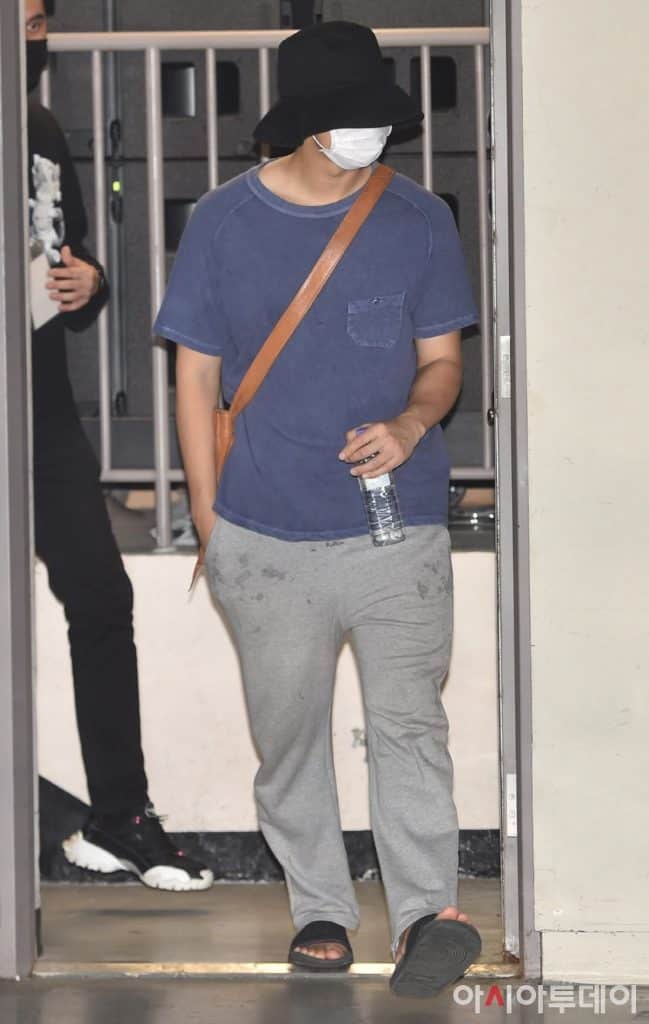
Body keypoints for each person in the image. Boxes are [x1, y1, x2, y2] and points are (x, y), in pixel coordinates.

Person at [155, 20, 481, 996]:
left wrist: (413, 423)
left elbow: (442, 362)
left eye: (376, 118)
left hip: (399, 523)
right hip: (263, 532)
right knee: (289, 736)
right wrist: (210, 520)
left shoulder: (418, 218)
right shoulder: (223, 222)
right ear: (302, 123)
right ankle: (322, 910)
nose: (368, 135)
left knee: (409, 724)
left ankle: (425, 914)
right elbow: (194, 376)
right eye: (349, 119)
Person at [25, 0, 213, 892]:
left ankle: (118, 815)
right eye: (16, 18)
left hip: (38, 408)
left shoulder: (37, 126)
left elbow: (73, 256)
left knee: (101, 597)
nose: (29, 37)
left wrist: (87, 280)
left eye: (38, 22)